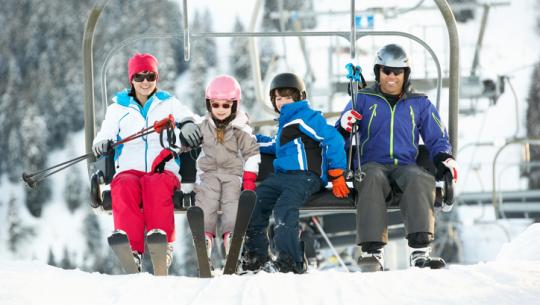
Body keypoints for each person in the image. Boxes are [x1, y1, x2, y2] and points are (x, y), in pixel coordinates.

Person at [336, 44, 459, 272]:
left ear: (406, 74)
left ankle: (420, 251)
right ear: (378, 72)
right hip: (372, 164)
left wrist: (444, 158)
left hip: (405, 165)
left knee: (419, 178)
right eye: (386, 71)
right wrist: (344, 126)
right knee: (370, 176)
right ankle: (372, 252)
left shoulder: (419, 103)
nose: (391, 77)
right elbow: (337, 139)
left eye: (397, 72)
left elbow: (436, 137)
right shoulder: (362, 99)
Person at [92, 53, 202, 273]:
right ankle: (132, 249)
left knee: (155, 184)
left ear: (156, 77)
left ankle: (162, 243)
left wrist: (189, 124)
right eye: (140, 76)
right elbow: (103, 135)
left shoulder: (167, 102)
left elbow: (191, 119)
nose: (145, 82)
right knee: (122, 185)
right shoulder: (118, 108)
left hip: (164, 168)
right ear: (131, 79)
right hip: (129, 169)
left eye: (150, 76)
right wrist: (102, 143)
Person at [241, 72, 350, 274]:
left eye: (287, 97)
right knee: (256, 202)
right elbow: (276, 145)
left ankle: (290, 260)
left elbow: (333, 138)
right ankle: (256, 256)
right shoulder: (285, 124)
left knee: (284, 208)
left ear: (299, 97)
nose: (282, 102)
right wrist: (249, 139)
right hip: (283, 177)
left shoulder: (305, 116)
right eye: (278, 98)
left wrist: (336, 174)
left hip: (305, 176)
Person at [194, 75, 260, 262]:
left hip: (232, 175)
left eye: (226, 105)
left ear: (235, 105)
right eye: (216, 105)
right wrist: (180, 139)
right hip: (209, 174)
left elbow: (252, 153)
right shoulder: (203, 126)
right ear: (209, 105)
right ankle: (205, 237)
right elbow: (185, 143)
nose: (220, 110)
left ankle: (231, 236)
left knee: (232, 201)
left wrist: (248, 179)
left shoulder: (240, 129)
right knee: (207, 200)